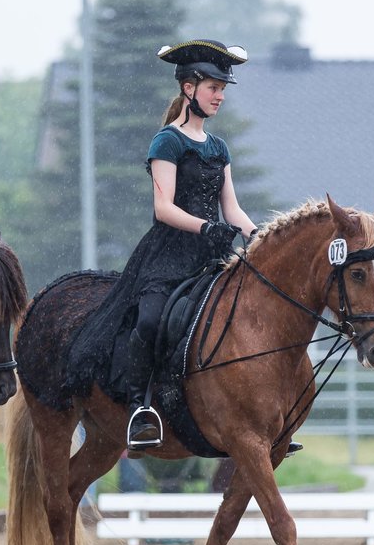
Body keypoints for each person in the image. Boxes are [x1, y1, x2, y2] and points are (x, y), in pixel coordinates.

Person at [68, 39, 256, 451]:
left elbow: (233, 208)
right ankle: (139, 409)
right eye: (214, 87)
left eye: (223, 88)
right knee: (151, 321)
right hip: (168, 256)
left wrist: (256, 234)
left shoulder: (218, 148)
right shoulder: (166, 142)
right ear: (189, 89)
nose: (220, 96)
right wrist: (207, 228)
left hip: (212, 256)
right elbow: (163, 208)